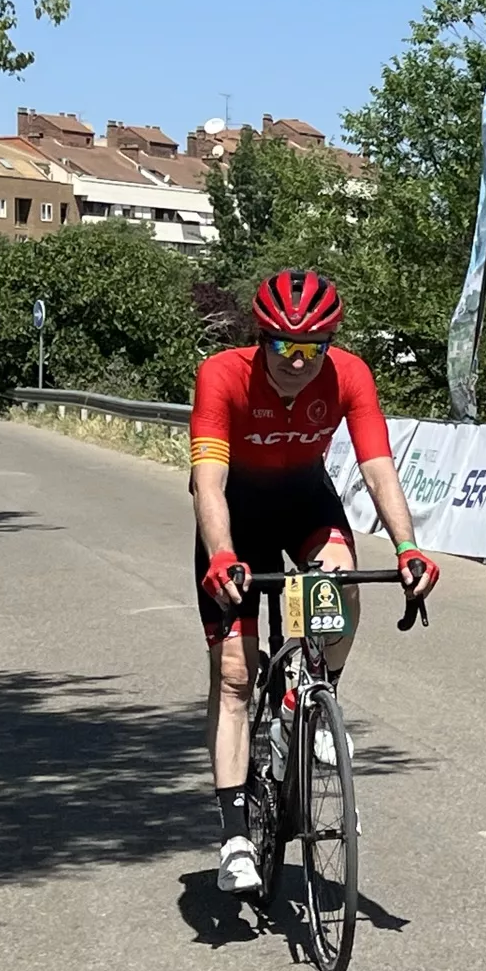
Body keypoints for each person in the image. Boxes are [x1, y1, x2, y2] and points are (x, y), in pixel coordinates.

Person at [190, 269, 438, 894]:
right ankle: (235, 835)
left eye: (313, 348)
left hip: (304, 500)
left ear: (330, 343)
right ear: (261, 339)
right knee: (235, 678)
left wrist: (408, 546)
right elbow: (209, 481)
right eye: (284, 347)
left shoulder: (349, 373)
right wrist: (221, 553)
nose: (299, 362)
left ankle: (316, 697)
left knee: (342, 583)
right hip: (236, 513)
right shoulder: (221, 374)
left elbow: (378, 468)